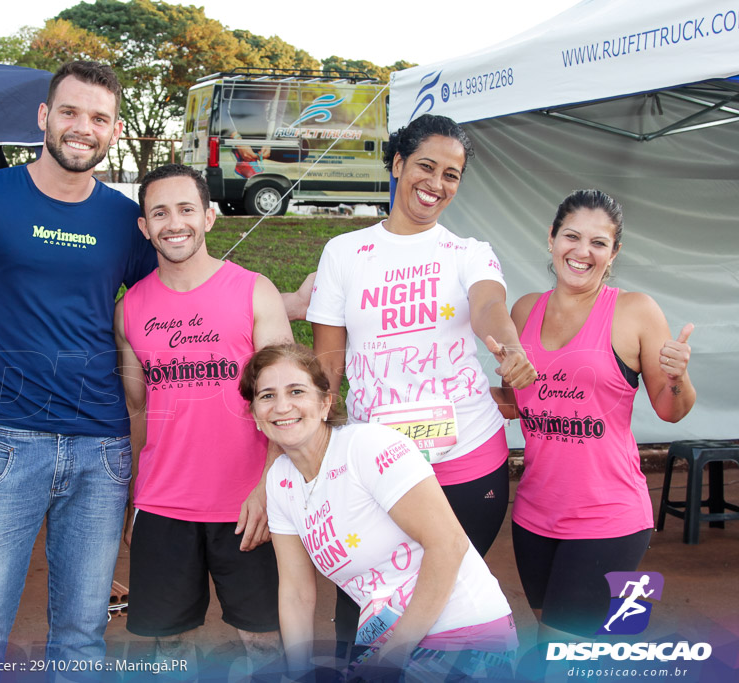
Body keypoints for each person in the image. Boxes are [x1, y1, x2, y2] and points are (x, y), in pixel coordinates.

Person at [0, 61, 313, 665]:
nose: (83, 127)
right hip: (9, 440)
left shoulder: (123, 219)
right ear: (44, 118)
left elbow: (186, 285)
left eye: (99, 118)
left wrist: (281, 301)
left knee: (82, 636)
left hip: (101, 449)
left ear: (114, 130)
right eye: (71, 112)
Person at [306, 113, 536, 651]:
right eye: (426, 167)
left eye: (451, 175)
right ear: (397, 163)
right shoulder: (345, 252)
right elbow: (328, 368)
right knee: (364, 614)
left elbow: (489, 306)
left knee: (451, 613)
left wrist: (508, 345)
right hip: (373, 469)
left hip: (467, 462)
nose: (436, 184)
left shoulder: (467, 251)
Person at [240, 343, 518, 680]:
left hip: (462, 631)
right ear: (255, 414)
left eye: (296, 391)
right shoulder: (280, 480)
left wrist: (392, 657)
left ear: (325, 402)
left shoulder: (368, 447)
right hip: (388, 639)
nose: (282, 406)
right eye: (267, 396)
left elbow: (449, 545)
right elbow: (296, 592)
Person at [113, 164, 293, 667]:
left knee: (263, 642)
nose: (175, 223)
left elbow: (287, 407)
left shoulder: (256, 291)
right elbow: (137, 409)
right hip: (163, 506)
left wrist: (267, 488)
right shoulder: (129, 309)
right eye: (160, 213)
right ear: (145, 227)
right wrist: (135, 499)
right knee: (171, 649)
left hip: (247, 506)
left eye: (186, 209)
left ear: (209, 217)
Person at [502, 189, 695, 637]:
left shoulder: (635, 311)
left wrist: (678, 377)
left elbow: (671, 411)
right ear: (552, 238)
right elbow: (524, 402)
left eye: (598, 242)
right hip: (534, 511)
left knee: (565, 646)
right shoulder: (524, 310)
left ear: (614, 252)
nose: (582, 252)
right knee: (554, 642)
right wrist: (503, 396)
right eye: (572, 236)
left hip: (607, 513)